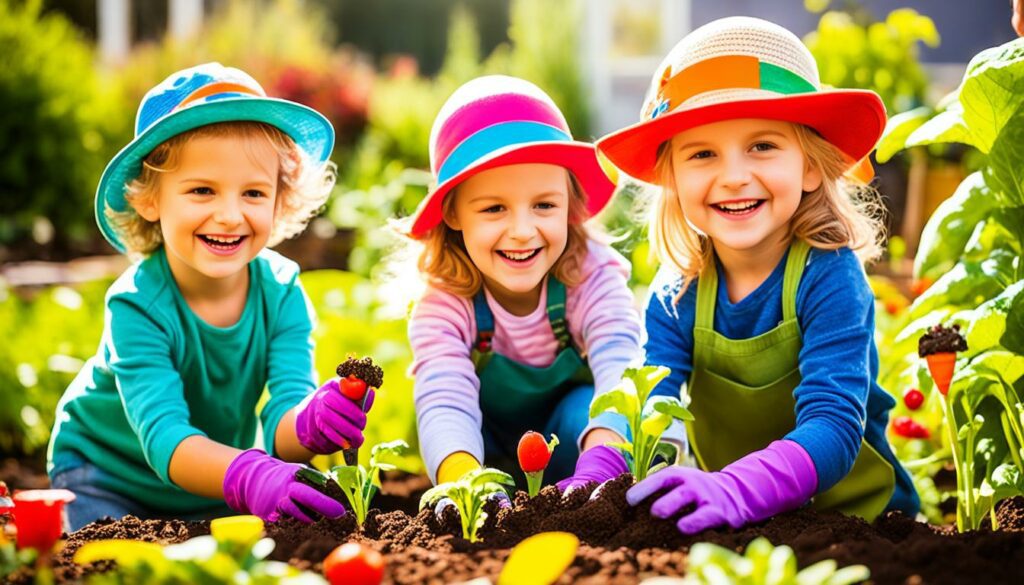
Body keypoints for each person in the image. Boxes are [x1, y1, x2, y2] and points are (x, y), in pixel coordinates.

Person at [594, 17, 919, 534]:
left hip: (853, 522)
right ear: (672, 178)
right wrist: (597, 476)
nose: (734, 175)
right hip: (732, 517)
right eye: (702, 154)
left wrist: (735, 488)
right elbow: (645, 401)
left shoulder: (829, 277)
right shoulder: (678, 291)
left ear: (811, 166)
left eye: (762, 146)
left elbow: (833, 427)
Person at [48, 63, 371, 531]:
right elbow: (166, 441)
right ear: (150, 199)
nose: (229, 215)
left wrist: (309, 422)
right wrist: (251, 475)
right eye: (202, 190)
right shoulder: (136, 305)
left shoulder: (281, 293)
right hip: (107, 476)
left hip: (214, 480)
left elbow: (283, 420)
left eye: (253, 193)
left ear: (280, 199)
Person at [399, 75, 648, 490]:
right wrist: (465, 484)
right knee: (453, 430)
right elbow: (445, 397)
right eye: (494, 208)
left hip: (573, 447)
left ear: (570, 203)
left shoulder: (590, 275)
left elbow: (621, 363)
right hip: (482, 446)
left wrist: (604, 457)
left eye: (544, 205)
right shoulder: (445, 300)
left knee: (588, 409)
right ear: (453, 213)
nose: (522, 230)